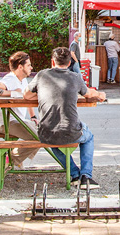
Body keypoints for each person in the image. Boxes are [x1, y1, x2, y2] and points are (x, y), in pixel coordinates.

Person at [24, 47, 106, 187]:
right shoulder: (75, 77)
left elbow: (26, 95)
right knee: (89, 137)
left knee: (53, 141)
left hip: (46, 132)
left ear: (52, 62)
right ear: (69, 64)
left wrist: (46, 92)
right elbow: (88, 94)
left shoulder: (42, 75)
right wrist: (100, 95)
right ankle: (86, 176)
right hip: (71, 130)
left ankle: (74, 174)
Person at [0, 51, 38, 168]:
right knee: (37, 137)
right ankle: (11, 160)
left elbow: (27, 98)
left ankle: (16, 159)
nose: (31, 67)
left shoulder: (23, 80)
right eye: (28, 65)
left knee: (43, 132)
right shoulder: (10, 79)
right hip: (6, 123)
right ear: (20, 67)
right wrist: (13, 93)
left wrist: (33, 117)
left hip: (19, 121)